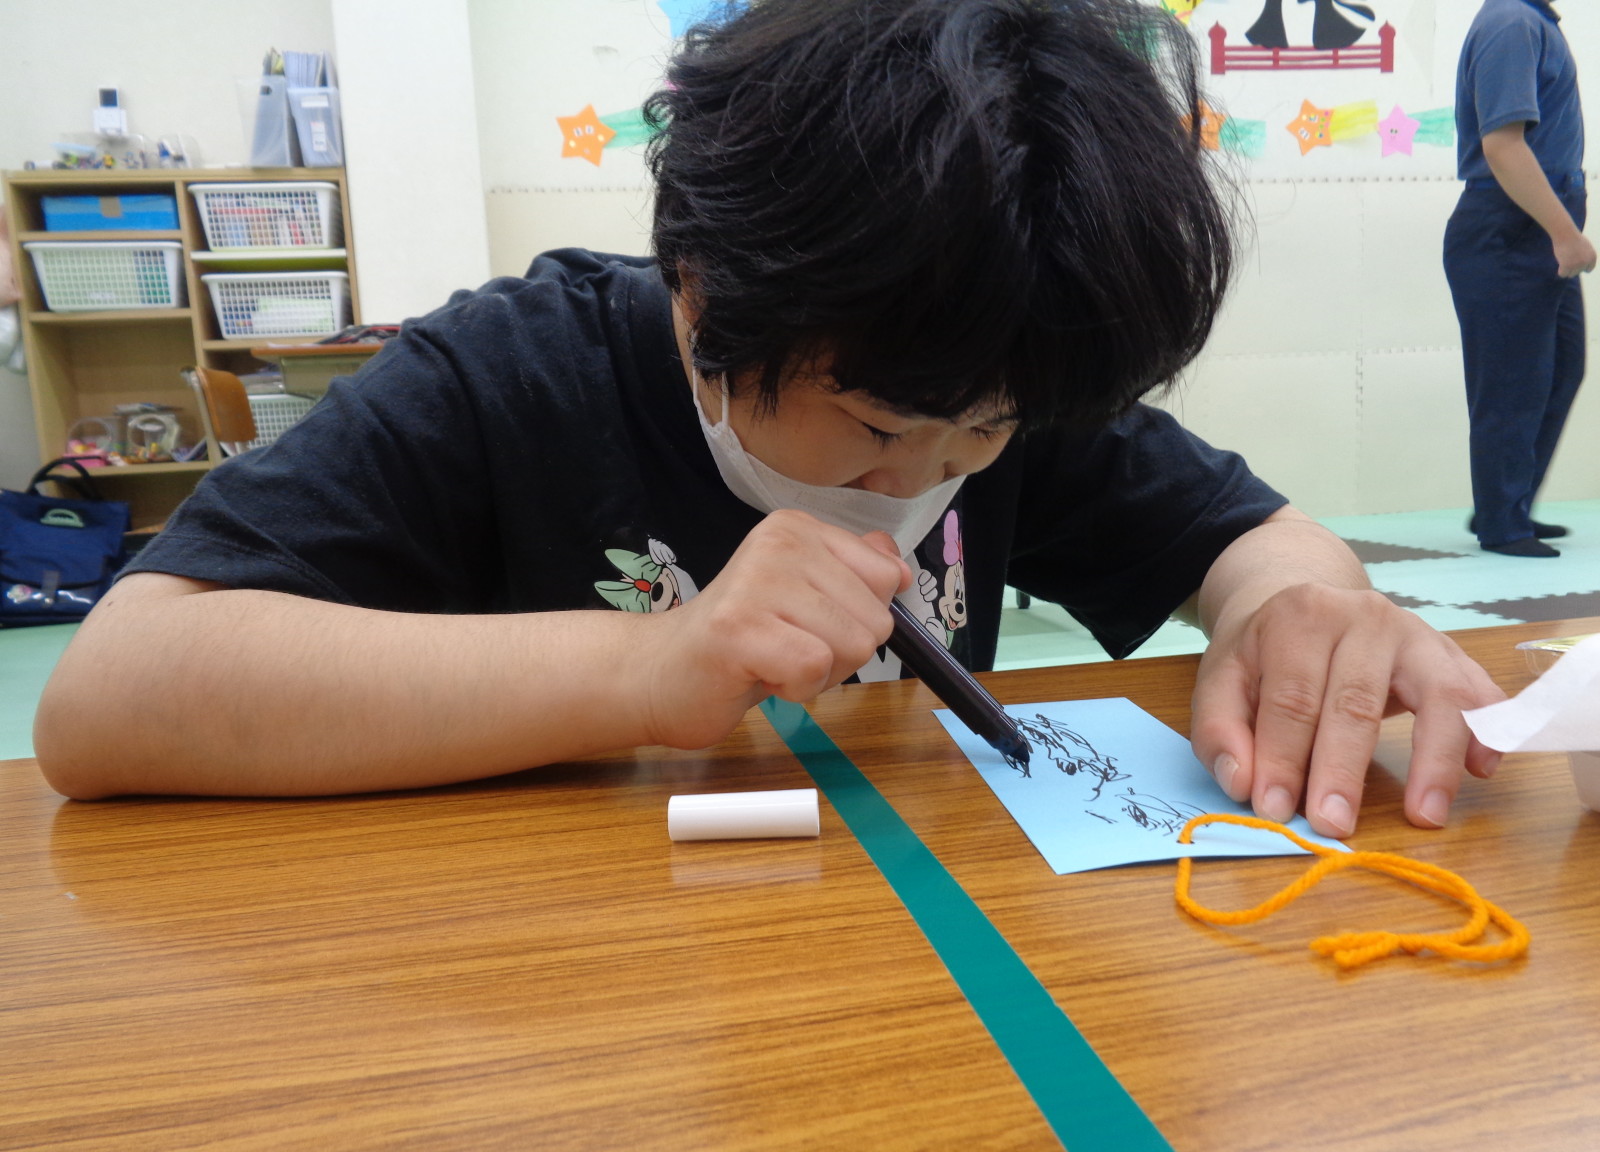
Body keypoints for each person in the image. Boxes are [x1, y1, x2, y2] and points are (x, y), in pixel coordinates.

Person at [36, 0, 1503, 839]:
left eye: (982, 436)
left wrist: (1296, 609)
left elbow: (1253, 541)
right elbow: (106, 698)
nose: (930, 473)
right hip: (557, 1007)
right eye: (874, 427)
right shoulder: (508, 373)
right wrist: (649, 667)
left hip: (888, 976)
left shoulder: (991, 360)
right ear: (699, 288)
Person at [1444, 0, 1593, 558]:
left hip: (1533, 228)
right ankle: (1502, 523)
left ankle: (1508, 503)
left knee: (1560, 368)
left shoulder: (1532, 21)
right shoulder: (1511, 21)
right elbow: (1503, 146)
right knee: (1512, 382)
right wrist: (1564, 233)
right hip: (1509, 229)